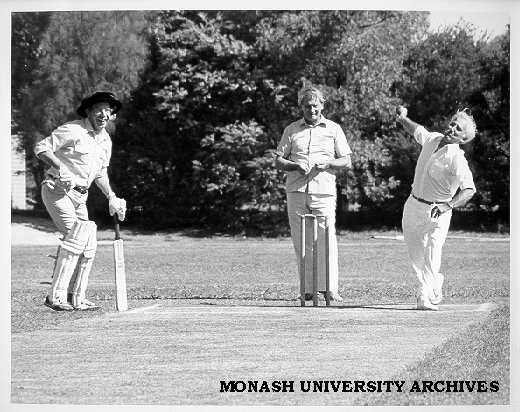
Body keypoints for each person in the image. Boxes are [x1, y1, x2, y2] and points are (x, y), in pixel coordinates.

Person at [34, 91, 127, 311]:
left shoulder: (105, 140)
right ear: (88, 111)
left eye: (108, 111)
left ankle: (76, 297)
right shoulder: (73, 129)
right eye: (99, 110)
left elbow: (100, 173)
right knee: (75, 238)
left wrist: (111, 196)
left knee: (88, 245)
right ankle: (54, 297)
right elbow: (42, 148)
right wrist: (60, 167)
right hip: (57, 190)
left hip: (80, 196)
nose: (104, 114)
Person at [275, 85, 352, 302]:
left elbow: (346, 160)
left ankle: (330, 288)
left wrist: (328, 163)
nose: (312, 110)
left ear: (322, 105)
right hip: (297, 190)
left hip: (323, 191)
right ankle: (307, 289)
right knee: (302, 240)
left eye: (315, 105)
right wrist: (294, 166)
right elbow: (279, 160)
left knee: (326, 238)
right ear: (302, 107)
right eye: (308, 106)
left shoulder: (334, 129)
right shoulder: (291, 130)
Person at [396, 106, 477, 311]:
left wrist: (447, 205)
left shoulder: (457, 159)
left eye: (458, 129)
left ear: (464, 139)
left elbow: (469, 190)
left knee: (432, 252)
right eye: (452, 124)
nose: (452, 129)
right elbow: (416, 130)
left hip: (438, 211)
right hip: (413, 206)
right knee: (416, 256)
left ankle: (424, 296)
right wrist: (402, 117)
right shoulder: (433, 138)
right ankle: (434, 284)